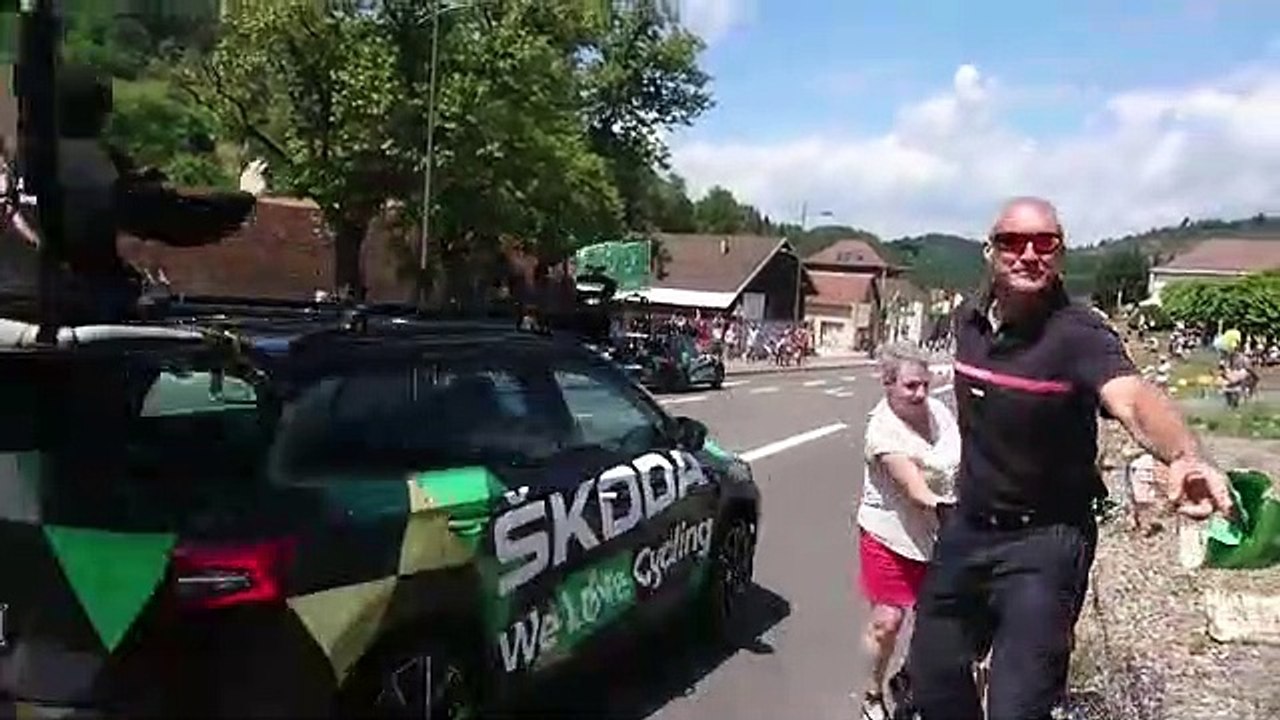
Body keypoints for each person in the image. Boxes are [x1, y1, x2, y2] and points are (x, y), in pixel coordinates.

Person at [903, 197, 1235, 720]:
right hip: (968, 528)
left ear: (1060, 254)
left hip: (1047, 541)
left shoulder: (1078, 332)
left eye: (1045, 243)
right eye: (1013, 242)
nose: (1028, 254)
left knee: (1020, 706)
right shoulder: (967, 321)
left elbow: (1132, 398)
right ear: (990, 251)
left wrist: (1185, 456)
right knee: (932, 677)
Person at [855, 341, 961, 720]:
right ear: (888, 383)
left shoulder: (938, 413)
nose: (919, 394)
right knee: (888, 622)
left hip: (937, 538)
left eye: (923, 385)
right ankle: (871, 693)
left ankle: (911, 675)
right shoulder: (882, 432)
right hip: (889, 535)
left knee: (936, 622)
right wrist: (963, 510)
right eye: (909, 386)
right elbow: (917, 492)